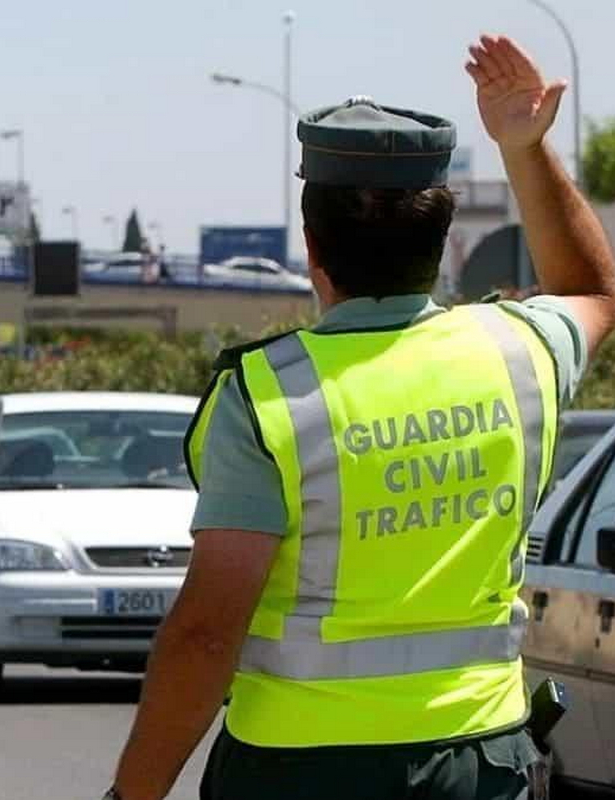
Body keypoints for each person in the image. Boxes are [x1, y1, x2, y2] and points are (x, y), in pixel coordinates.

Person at [107, 35, 615, 800]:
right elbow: (592, 290)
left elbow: (207, 635)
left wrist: (133, 794)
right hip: (480, 764)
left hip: (300, 771)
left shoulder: (266, 396)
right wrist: (524, 149)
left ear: (312, 247)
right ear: (442, 242)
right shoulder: (520, 352)